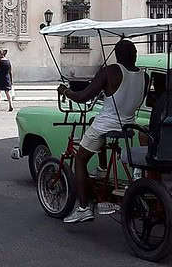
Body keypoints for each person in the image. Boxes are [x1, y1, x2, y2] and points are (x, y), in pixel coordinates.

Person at [58, 39, 149, 224]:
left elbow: (83, 97)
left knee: (80, 159)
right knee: (94, 121)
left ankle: (83, 208)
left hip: (107, 125)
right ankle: (101, 168)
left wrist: (66, 92)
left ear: (117, 55)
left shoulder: (112, 70)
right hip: (128, 124)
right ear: (135, 55)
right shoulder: (144, 76)